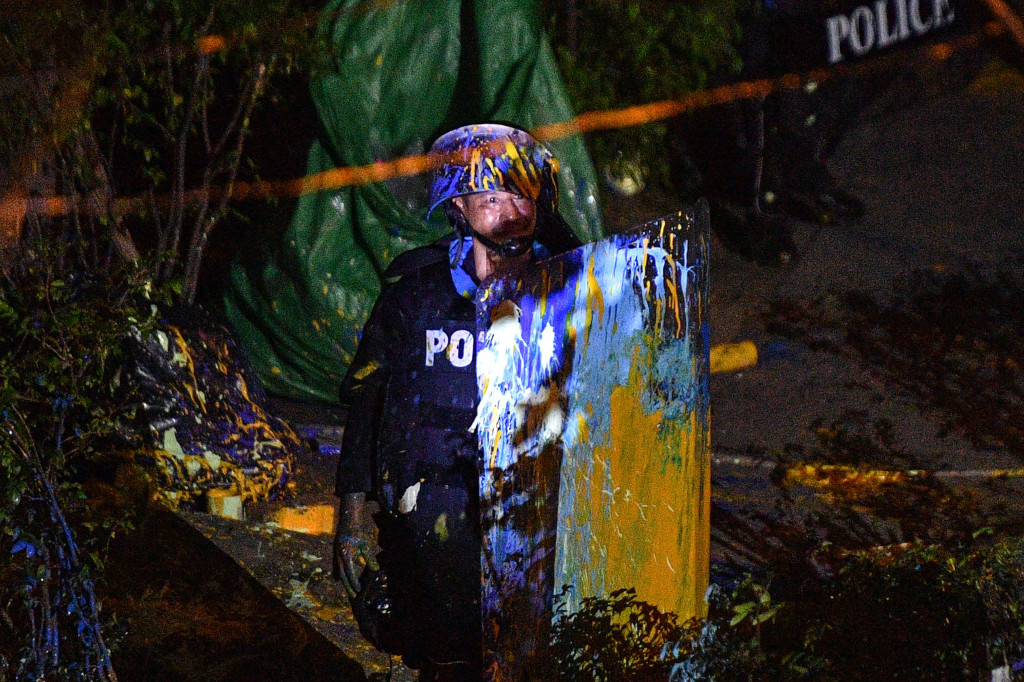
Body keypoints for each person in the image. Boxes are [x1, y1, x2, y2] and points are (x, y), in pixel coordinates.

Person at [332, 123, 581, 681]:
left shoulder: (572, 287)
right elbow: (369, 400)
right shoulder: (415, 287)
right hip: (434, 532)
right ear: (458, 208)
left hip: (540, 527)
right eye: (490, 197)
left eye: (519, 194)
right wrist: (349, 518)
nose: (509, 211)